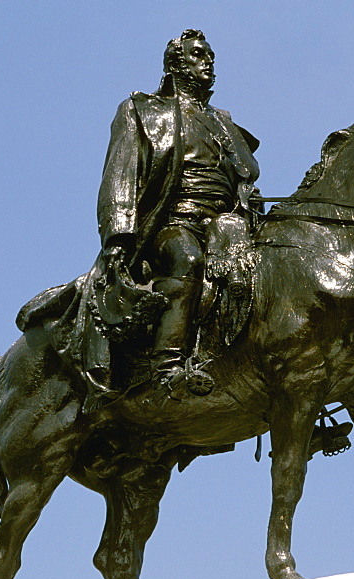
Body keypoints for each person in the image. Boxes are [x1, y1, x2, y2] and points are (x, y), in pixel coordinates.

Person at [96, 29, 261, 390]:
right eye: (198, 55)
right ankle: (168, 368)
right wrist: (117, 238)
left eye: (210, 56)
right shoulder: (142, 110)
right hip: (173, 222)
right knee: (187, 260)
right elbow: (121, 175)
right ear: (176, 63)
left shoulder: (224, 122)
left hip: (228, 224)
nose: (208, 62)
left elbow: (244, 182)